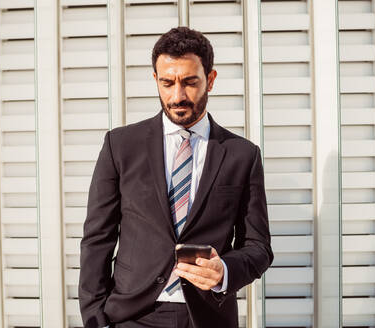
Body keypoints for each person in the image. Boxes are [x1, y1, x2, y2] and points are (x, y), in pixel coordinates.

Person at [79, 26, 273, 328]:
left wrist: (224, 270)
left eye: (190, 82)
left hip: (208, 316)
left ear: (210, 80)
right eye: (167, 83)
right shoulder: (120, 146)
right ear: (156, 80)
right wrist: (94, 318)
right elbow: (97, 239)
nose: (177, 96)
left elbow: (258, 247)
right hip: (132, 315)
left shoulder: (243, 155)